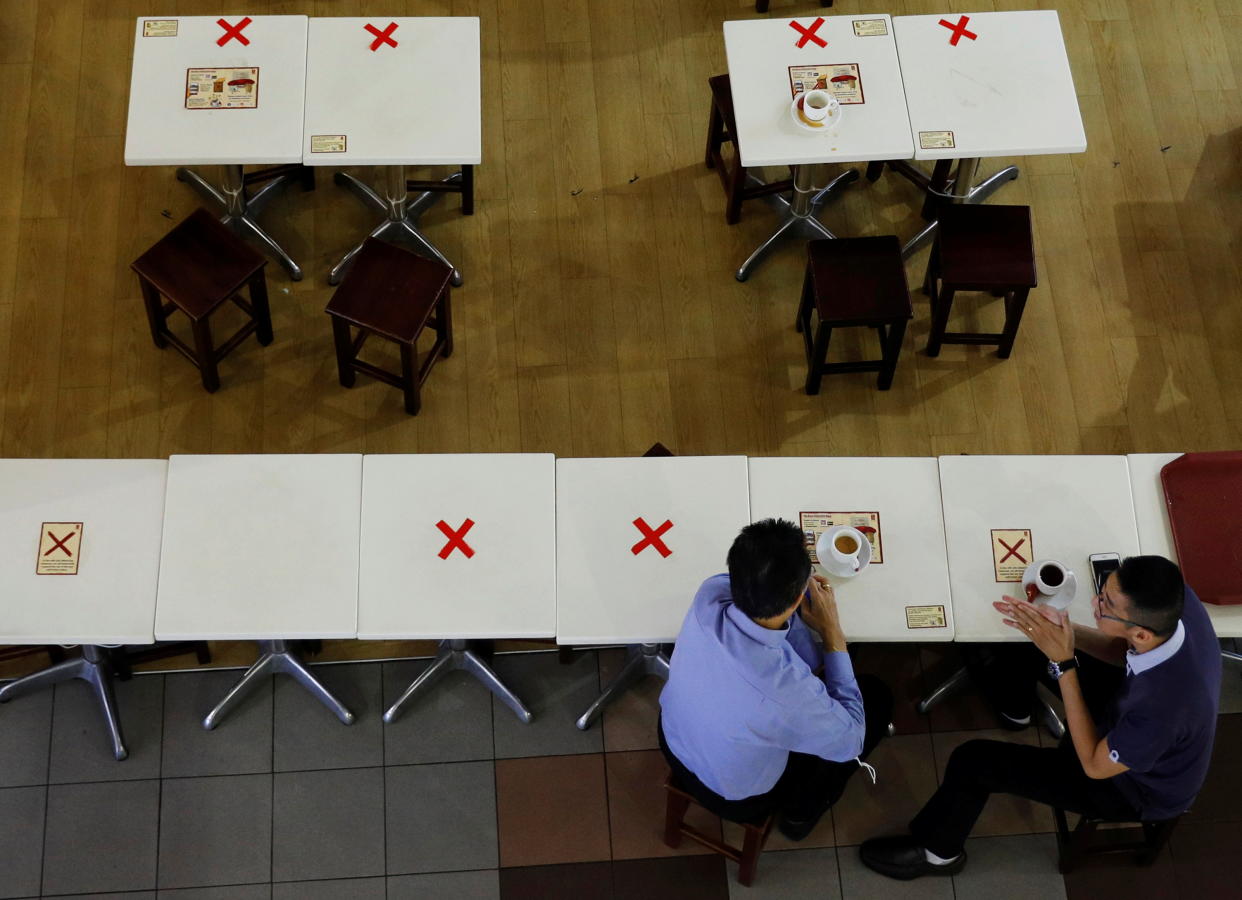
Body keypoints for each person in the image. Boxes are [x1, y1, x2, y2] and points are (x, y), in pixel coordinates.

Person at [860, 555, 1221, 880]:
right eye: (1103, 592)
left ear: (1141, 631)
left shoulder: (1164, 711)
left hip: (1130, 786)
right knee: (1033, 642)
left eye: (1106, 605)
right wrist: (1065, 633)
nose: (1095, 604)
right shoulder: (1174, 602)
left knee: (973, 762)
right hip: (1127, 705)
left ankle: (937, 853)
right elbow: (1121, 649)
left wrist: (1064, 662)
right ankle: (1014, 708)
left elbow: (1094, 764)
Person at [658, 518, 893, 841]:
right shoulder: (788, 693)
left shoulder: (709, 594)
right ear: (798, 597)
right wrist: (831, 633)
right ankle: (800, 814)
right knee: (876, 698)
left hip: (672, 737)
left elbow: (806, 661)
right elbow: (850, 741)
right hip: (735, 795)